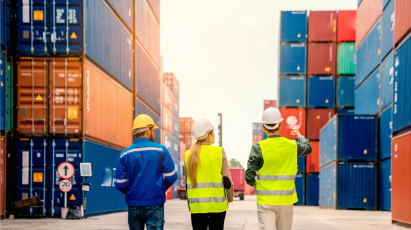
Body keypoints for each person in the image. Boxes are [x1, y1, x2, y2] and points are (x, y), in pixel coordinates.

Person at [245, 107, 311, 230]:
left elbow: (249, 175)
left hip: (266, 201)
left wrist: (255, 183)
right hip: (286, 202)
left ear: (264, 127)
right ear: (280, 126)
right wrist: (299, 136)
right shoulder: (292, 145)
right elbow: (307, 148)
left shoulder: (258, 147)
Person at [115, 114, 178, 230]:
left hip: (133, 204)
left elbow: (119, 184)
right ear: (148, 130)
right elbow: (172, 177)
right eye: (153, 130)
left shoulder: (124, 154)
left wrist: (133, 191)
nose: (154, 133)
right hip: (155, 203)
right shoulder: (161, 150)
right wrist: (158, 188)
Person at [184, 119, 234, 230]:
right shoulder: (219, 151)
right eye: (213, 132)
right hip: (217, 206)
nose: (214, 135)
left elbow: (187, 182)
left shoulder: (188, 154)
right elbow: (227, 180)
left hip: (197, 207)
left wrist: (190, 205)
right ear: (208, 135)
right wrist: (230, 198)